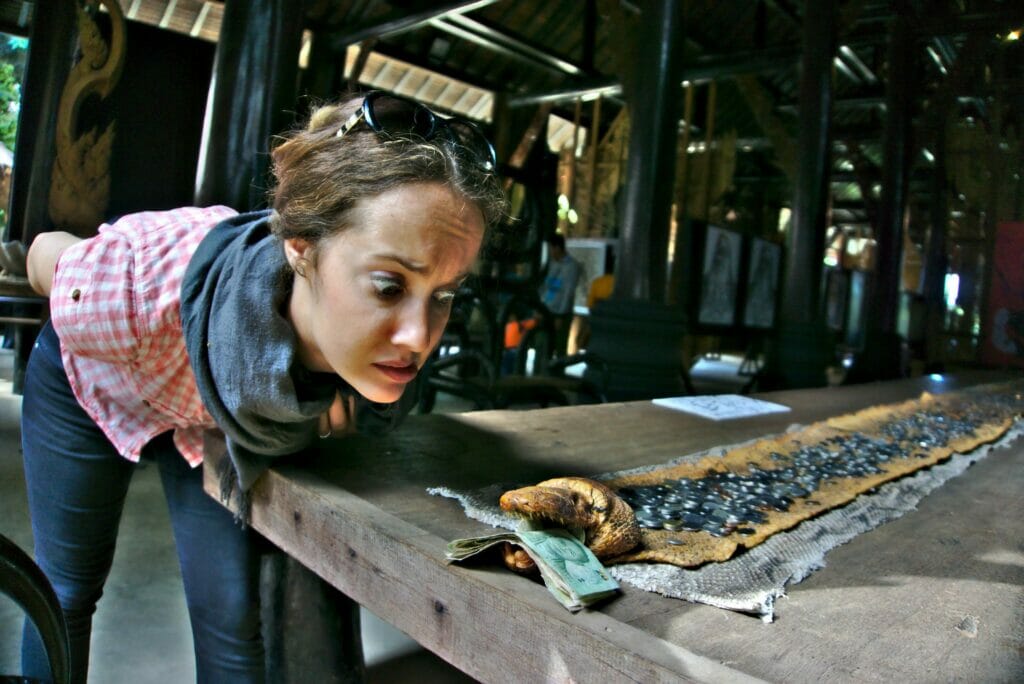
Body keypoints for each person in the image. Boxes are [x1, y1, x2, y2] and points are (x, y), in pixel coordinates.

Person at [19, 90, 506, 683]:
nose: (417, 336)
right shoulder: (130, 288)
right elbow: (47, 255)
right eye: (387, 286)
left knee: (231, 615)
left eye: (445, 295)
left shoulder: (355, 366)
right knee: (65, 591)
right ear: (301, 249)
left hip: (210, 420)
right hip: (98, 380)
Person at [538, 233, 581, 356]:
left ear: (557, 248)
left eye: (551, 248)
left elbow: (568, 292)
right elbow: (544, 287)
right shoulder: (550, 263)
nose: (550, 252)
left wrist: (560, 316)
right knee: (542, 345)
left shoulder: (572, 266)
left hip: (560, 313)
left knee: (559, 346)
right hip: (546, 309)